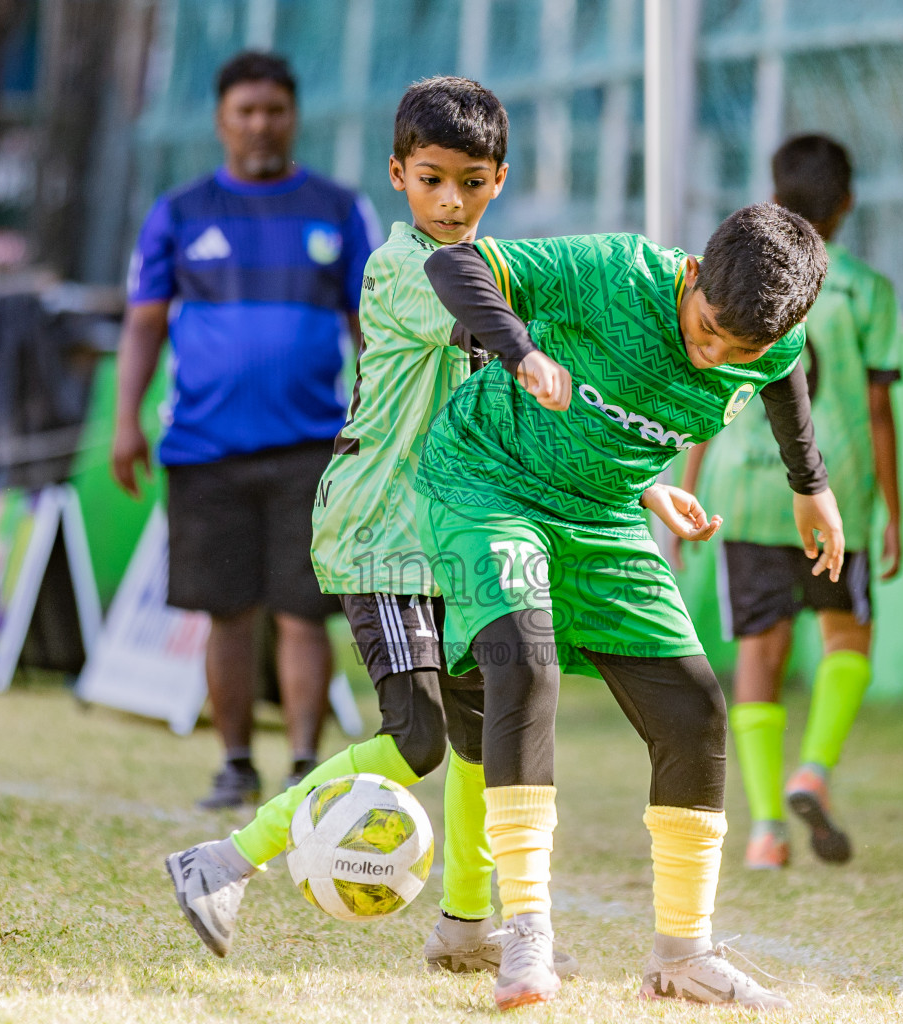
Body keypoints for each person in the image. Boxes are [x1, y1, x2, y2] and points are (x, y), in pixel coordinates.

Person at [161, 77, 574, 976]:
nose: (451, 201)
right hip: (380, 533)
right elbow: (487, 316)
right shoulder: (401, 268)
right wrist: (541, 344)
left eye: (471, 181)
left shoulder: (498, 271)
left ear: (498, 179)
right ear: (398, 175)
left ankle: (467, 923)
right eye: (431, 180)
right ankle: (223, 861)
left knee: (477, 724)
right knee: (420, 735)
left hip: (456, 538)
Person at [418, 204, 843, 1009]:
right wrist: (522, 352)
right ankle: (529, 934)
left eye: (735, 350)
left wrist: (811, 487)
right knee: (523, 663)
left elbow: (781, 374)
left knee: (693, 710)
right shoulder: (616, 271)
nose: (711, 355)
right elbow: (454, 266)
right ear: (691, 276)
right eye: (707, 327)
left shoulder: (770, 343)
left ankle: (683, 956)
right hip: (488, 484)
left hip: (607, 513)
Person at [113, 51, 378, 809]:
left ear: (294, 117)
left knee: (304, 613)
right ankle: (234, 762)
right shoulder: (179, 211)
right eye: (246, 112)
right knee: (226, 615)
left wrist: (378, 421)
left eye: (274, 110)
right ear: (221, 121)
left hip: (312, 448)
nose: (261, 124)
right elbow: (142, 326)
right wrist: (126, 422)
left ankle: (302, 766)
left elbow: (373, 329)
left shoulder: (337, 208)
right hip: (204, 447)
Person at [679, 134, 902, 870]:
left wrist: (687, 480)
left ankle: (767, 830)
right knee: (846, 637)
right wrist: (890, 507)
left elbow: (709, 383)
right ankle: (815, 771)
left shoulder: (743, 281)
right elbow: (876, 408)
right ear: (847, 205)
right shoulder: (866, 291)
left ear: (772, 195)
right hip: (832, 491)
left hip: (745, 484)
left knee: (759, 653)